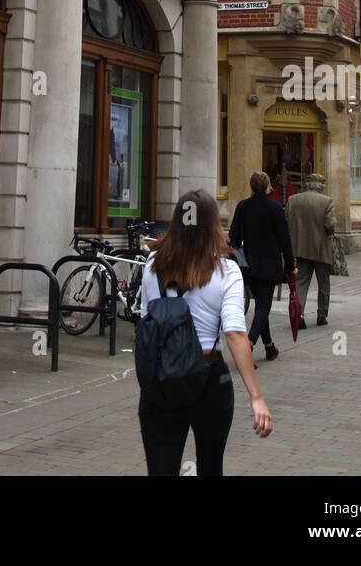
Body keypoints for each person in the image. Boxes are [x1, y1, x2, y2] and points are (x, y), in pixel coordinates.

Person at [137, 189, 272, 477]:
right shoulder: (227, 272)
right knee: (211, 466)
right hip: (210, 377)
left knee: (161, 469)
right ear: (213, 225)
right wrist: (256, 396)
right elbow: (235, 335)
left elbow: (145, 321)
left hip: (161, 379)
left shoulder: (152, 266)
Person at [229, 172, 296, 362]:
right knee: (264, 305)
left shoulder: (243, 206)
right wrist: (291, 266)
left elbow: (233, 237)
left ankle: (269, 346)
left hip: (248, 263)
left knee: (260, 304)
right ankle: (249, 343)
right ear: (267, 186)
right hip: (269, 263)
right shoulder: (275, 208)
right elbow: (285, 240)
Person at [286, 175, 336, 328]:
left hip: (300, 247)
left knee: (300, 282)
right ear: (320, 187)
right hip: (321, 249)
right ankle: (322, 314)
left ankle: (299, 315)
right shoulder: (326, 201)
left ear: (307, 185)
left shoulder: (293, 200)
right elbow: (330, 226)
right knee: (324, 283)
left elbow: (286, 221)